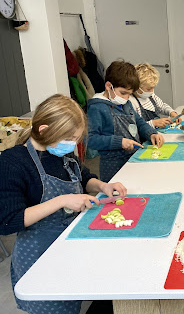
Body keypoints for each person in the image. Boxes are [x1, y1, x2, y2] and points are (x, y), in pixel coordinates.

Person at [0, 94, 126, 314]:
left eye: (75, 139)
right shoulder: (13, 162)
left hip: (70, 245)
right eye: (69, 139)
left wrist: (102, 186)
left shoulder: (60, 153)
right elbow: (8, 221)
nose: (72, 145)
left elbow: (84, 178)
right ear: (43, 130)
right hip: (39, 256)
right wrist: (62, 201)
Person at [87, 60, 164, 182]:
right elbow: (90, 139)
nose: (126, 98)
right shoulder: (97, 107)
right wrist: (119, 142)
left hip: (134, 157)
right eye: (123, 93)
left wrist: (151, 133)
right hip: (112, 165)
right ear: (108, 86)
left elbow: (138, 121)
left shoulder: (126, 103)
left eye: (129, 94)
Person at [129, 63, 181, 128]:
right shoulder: (132, 102)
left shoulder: (151, 96)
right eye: (148, 89)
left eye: (153, 88)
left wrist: (172, 113)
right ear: (136, 86)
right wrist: (153, 123)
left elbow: (162, 106)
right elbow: (134, 127)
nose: (151, 91)